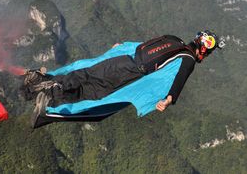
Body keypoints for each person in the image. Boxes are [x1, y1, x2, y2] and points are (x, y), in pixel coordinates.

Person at [22, 30, 225, 128]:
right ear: (204, 51)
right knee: (94, 96)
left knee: (85, 74)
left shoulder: (174, 40)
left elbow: (143, 45)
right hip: (129, 73)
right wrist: (169, 99)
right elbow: (179, 80)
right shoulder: (188, 59)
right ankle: (48, 105)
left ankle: (37, 83)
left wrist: (121, 45)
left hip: (123, 59)